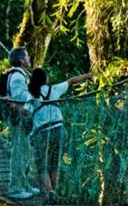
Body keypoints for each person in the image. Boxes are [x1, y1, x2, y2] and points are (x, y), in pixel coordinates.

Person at [27, 68, 91, 197]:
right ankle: (53, 192)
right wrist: (89, 75)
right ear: (45, 79)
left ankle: (49, 192)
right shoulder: (54, 90)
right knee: (54, 162)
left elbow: (26, 112)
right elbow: (72, 81)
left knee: (41, 165)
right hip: (58, 130)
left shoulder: (31, 95)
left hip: (41, 133)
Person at [6, 46, 39, 199]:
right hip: (19, 119)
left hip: (23, 119)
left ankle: (24, 185)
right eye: (26, 56)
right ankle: (16, 189)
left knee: (25, 152)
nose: (29, 58)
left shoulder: (22, 75)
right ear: (21, 60)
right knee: (19, 153)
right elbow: (20, 97)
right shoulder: (18, 77)